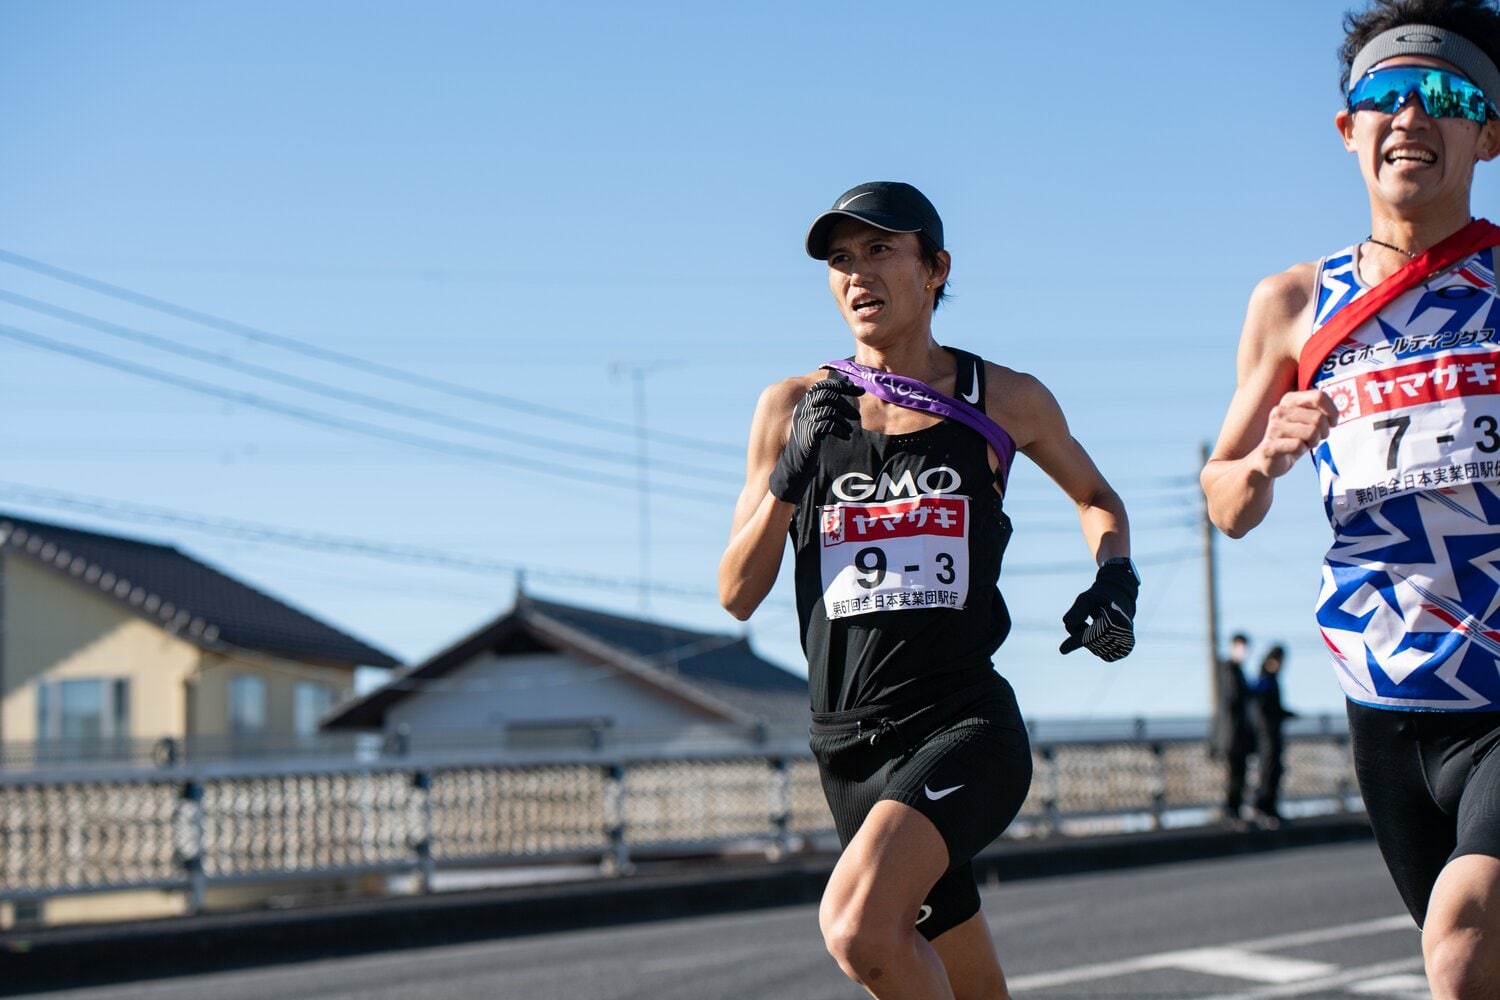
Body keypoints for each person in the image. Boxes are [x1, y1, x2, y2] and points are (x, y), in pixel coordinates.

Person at [719, 180, 1138, 1000]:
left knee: (860, 931)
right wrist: (788, 477)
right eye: (841, 260)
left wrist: (1114, 574)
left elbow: (1097, 499)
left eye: (881, 252)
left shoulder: (1002, 398)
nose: (858, 276)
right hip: (846, 748)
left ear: (936, 269)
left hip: (961, 726)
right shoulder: (792, 409)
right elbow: (737, 592)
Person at [1201, 2, 1500, 993]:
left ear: (1488, 133)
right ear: (1348, 128)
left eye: (1449, 96)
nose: (1412, 116)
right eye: (1385, 95)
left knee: (1461, 942)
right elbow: (1227, 502)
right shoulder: (1294, 302)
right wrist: (1264, 459)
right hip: (1385, 696)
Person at [1211, 632, 1255, 829]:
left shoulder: (1237, 670)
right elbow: (1232, 699)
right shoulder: (1229, 669)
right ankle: (1231, 812)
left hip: (1237, 734)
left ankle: (1234, 811)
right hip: (1232, 735)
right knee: (1235, 775)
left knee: (1239, 774)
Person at [1250, 644, 1295, 829]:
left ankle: (1271, 808)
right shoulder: (1264, 680)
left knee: (1275, 771)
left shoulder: (1272, 679)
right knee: (1267, 771)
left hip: (1273, 733)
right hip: (1266, 735)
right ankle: (1262, 809)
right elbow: (1261, 709)